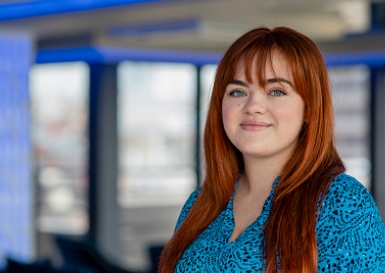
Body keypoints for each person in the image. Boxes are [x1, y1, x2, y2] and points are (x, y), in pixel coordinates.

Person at [158, 26, 385, 272]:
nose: (253, 106)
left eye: (276, 91)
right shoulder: (199, 204)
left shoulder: (341, 201)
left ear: (309, 108)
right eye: (238, 91)